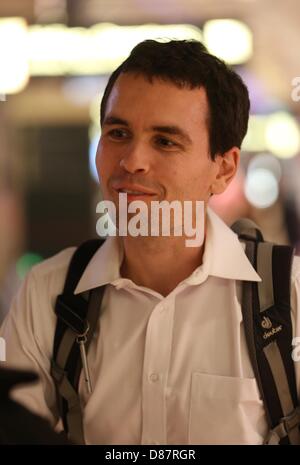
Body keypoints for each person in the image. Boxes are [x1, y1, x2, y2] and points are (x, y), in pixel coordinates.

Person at [1, 39, 300, 445]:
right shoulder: (49, 293)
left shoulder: (287, 299)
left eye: (165, 141)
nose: (131, 160)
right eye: (118, 132)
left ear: (224, 168)